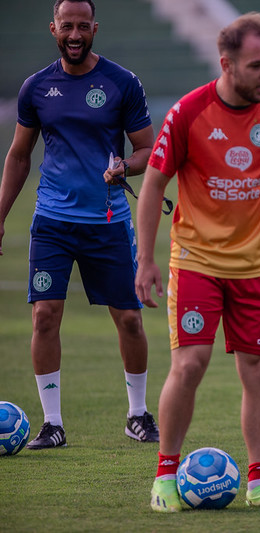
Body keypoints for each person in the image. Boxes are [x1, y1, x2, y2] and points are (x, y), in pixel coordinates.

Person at [135, 13, 260, 512]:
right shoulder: (189, 112)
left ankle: (259, 482)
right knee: (190, 364)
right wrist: (146, 260)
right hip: (196, 261)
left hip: (255, 266)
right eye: (257, 65)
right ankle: (164, 479)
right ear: (226, 64)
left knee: (259, 372)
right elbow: (154, 183)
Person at [0, 0, 159, 449]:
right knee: (45, 317)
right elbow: (18, 156)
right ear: (53, 28)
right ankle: (52, 425)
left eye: (82, 26)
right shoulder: (36, 88)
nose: (74, 34)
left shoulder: (121, 82)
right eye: (66, 26)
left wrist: (124, 167)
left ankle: (137, 415)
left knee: (129, 319)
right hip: (52, 220)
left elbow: (148, 150)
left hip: (107, 221)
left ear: (94, 28)